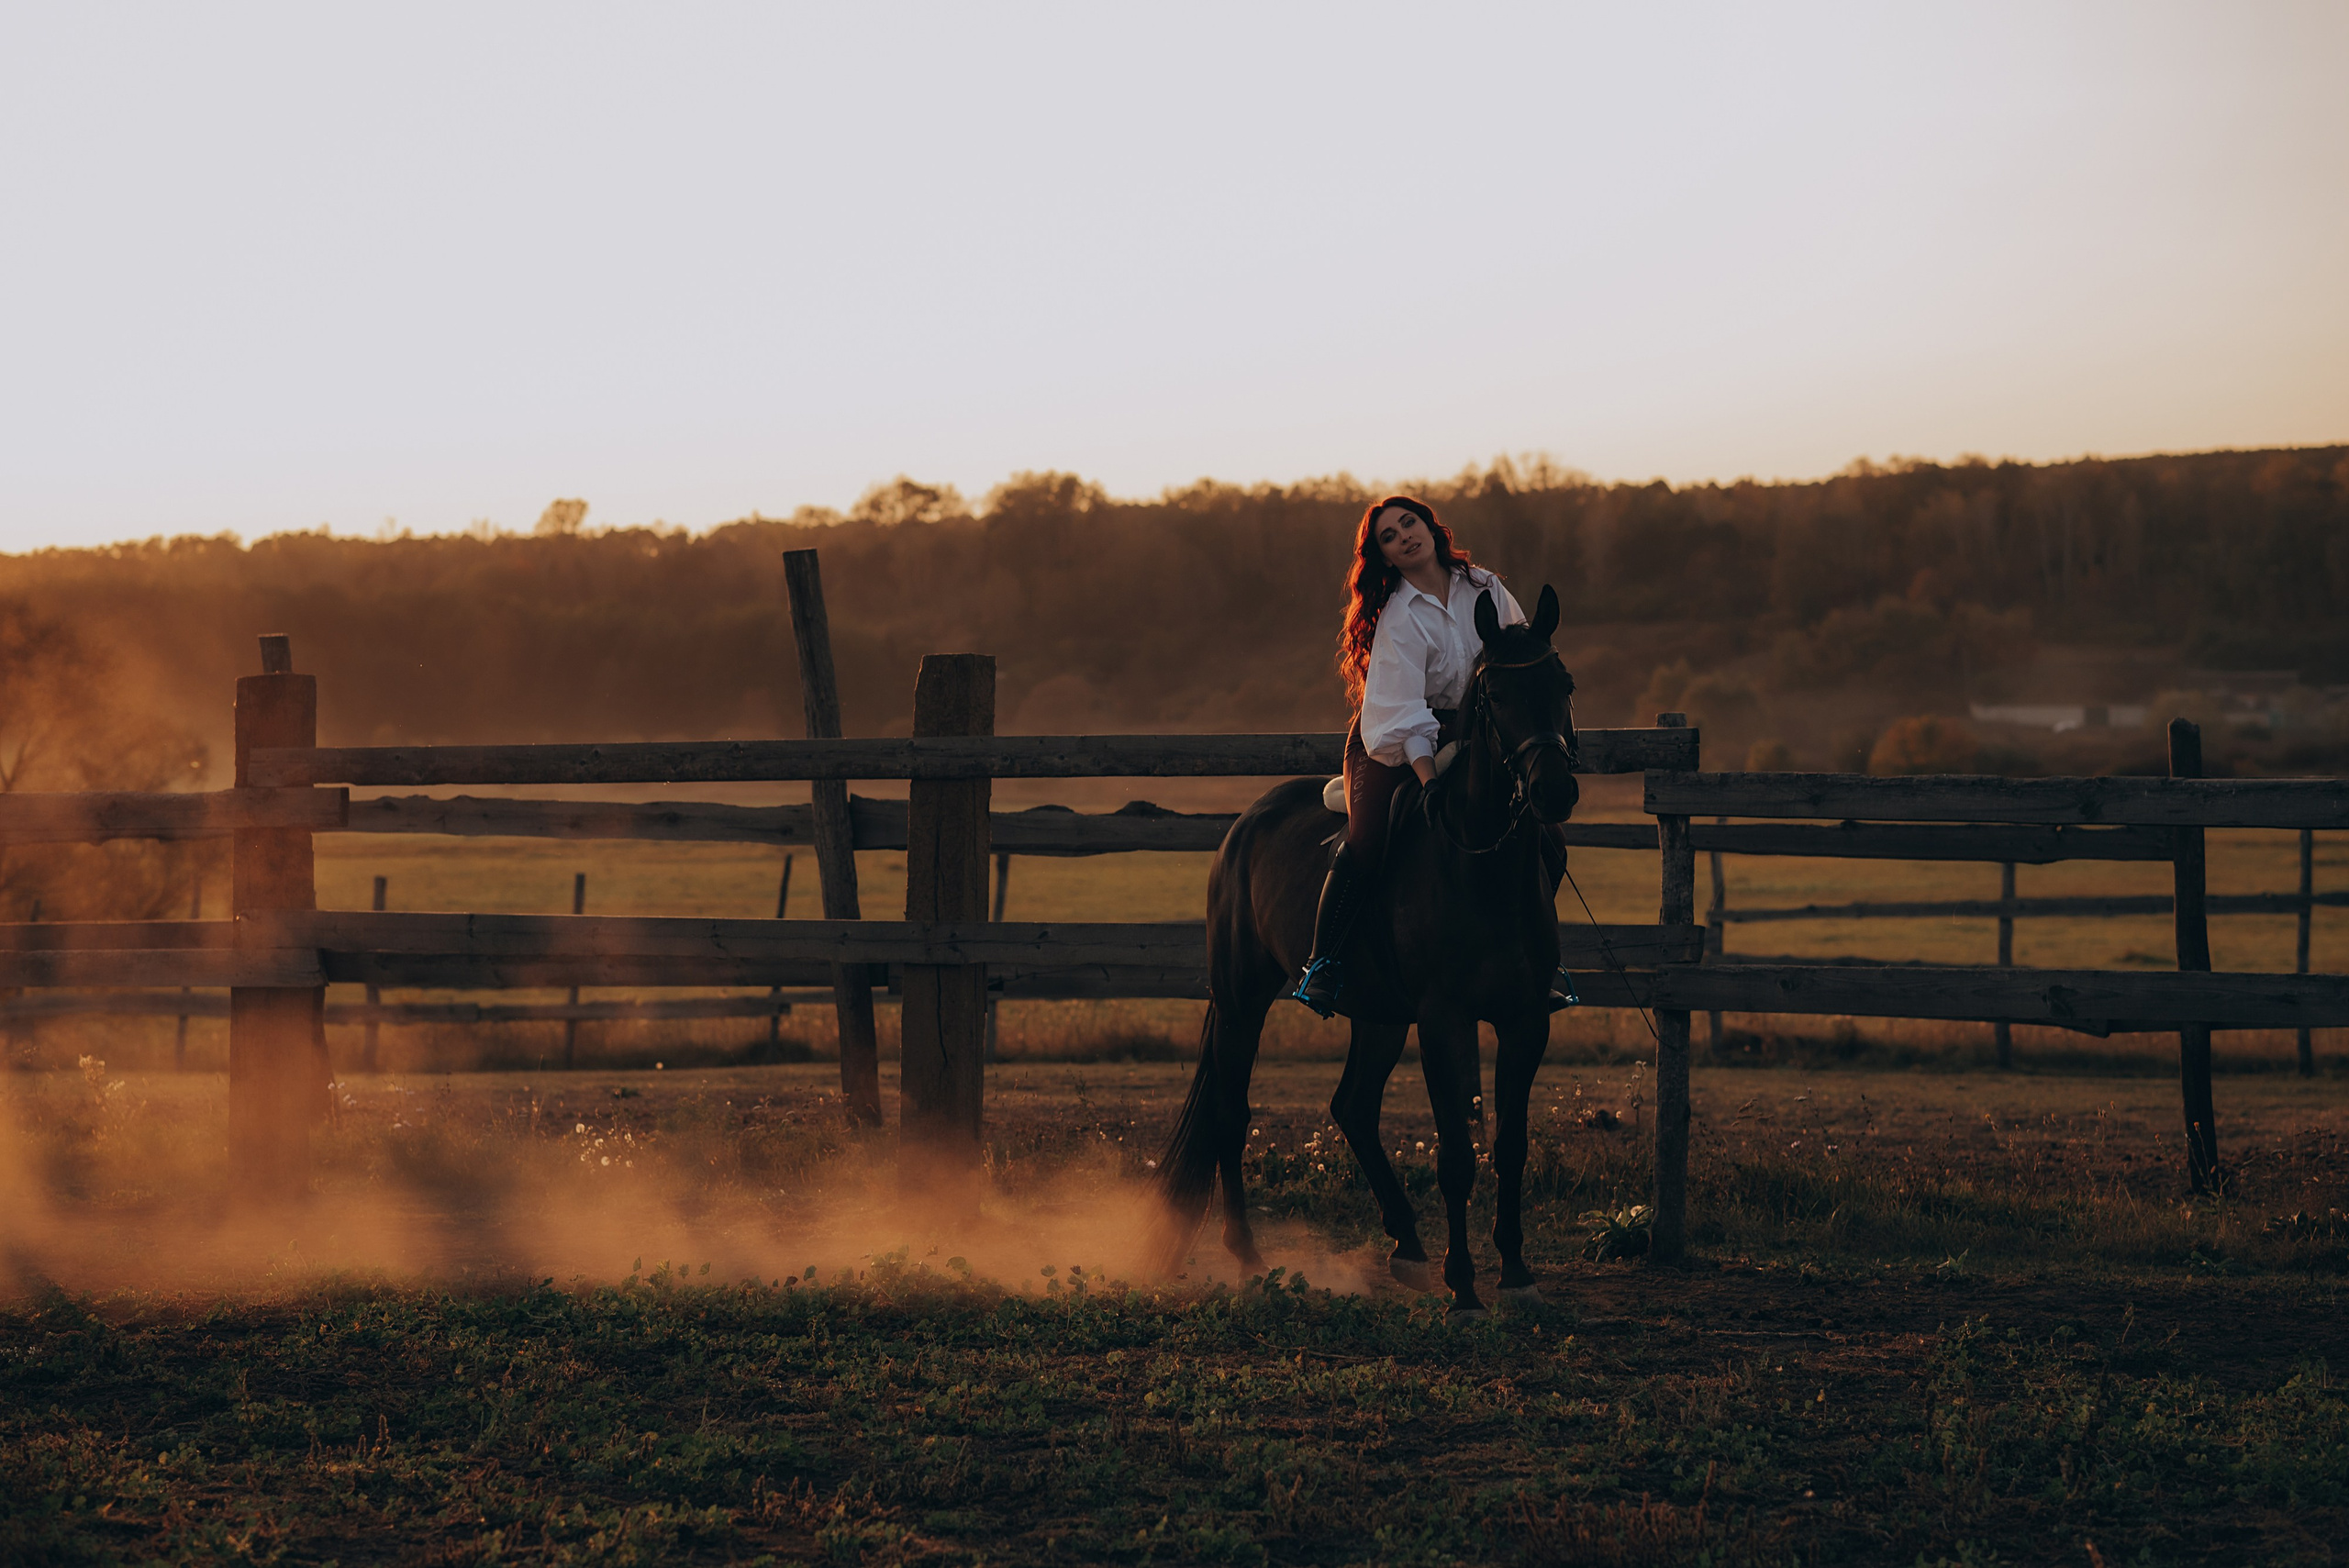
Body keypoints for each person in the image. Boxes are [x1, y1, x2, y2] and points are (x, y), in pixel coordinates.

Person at [1292, 494, 1574, 1016]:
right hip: (1393, 736)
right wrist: (1429, 780)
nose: (1404, 536)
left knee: (1550, 840)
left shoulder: (1485, 587)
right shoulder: (1399, 617)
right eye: (1390, 536)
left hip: (1477, 729)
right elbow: (1404, 716)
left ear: (1430, 526)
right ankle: (1323, 962)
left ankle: (1532, 959)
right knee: (1367, 839)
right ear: (1384, 556)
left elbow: (1516, 658)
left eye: (1409, 523)